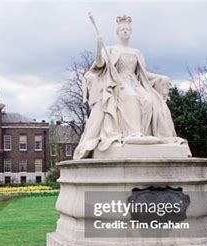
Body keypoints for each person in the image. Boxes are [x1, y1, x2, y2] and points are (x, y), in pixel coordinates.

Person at [73, 15, 183, 160]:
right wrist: (99, 48)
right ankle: (133, 133)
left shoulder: (136, 52)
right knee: (130, 96)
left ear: (130, 32)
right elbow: (100, 65)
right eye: (122, 29)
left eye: (127, 29)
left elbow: (144, 73)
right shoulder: (111, 49)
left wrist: (161, 78)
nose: (125, 31)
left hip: (135, 82)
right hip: (117, 84)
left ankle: (145, 134)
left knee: (149, 100)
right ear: (117, 32)